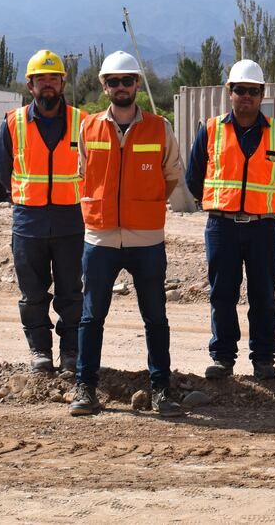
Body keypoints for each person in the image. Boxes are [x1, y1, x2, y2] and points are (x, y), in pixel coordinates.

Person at [69, 51, 184, 417]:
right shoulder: (87, 128)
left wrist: (144, 207)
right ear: (104, 87)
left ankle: (162, 390)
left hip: (146, 239)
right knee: (91, 317)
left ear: (137, 84)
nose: (121, 87)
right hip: (100, 238)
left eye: (127, 80)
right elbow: (83, 174)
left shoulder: (159, 127)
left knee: (155, 318)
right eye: (113, 81)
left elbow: (171, 176)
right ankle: (85, 388)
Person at [185, 60, 275, 381]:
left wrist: (264, 205)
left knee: (263, 294)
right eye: (240, 90)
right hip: (221, 226)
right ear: (229, 92)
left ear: (262, 94)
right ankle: (222, 358)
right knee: (222, 293)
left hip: (263, 227)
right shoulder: (211, 130)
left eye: (253, 91)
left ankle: (263, 359)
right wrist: (218, 203)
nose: (246, 96)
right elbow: (194, 177)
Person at [0, 50, 86, 373]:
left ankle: (71, 353)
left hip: (70, 221)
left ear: (62, 83)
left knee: (71, 293)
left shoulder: (83, 121)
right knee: (32, 293)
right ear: (30, 86)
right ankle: (40, 352)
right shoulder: (13, 122)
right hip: (28, 222)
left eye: (53, 78)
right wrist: (26, 198)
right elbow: (3, 170)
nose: (47, 84)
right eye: (40, 79)